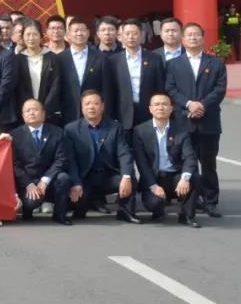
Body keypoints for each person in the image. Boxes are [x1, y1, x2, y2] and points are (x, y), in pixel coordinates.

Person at [165, 22, 227, 217]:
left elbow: (219, 89)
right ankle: (192, 199)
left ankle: (211, 201)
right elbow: (170, 89)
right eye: (189, 35)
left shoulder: (216, 63)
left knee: (208, 164)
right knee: (185, 162)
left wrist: (201, 106)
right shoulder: (173, 64)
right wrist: (189, 104)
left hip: (209, 122)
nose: (193, 38)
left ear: (203, 38)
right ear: (183, 39)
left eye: (196, 34)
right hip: (183, 122)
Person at [63, 90, 141, 224]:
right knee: (78, 205)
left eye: (95, 103)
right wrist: (76, 182)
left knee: (130, 178)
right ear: (82, 107)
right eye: (87, 104)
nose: (91, 107)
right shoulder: (71, 129)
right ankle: (80, 208)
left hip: (107, 176)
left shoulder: (114, 127)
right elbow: (70, 160)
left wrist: (126, 176)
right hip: (84, 178)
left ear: (102, 106)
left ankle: (125, 211)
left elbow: (124, 153)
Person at [132, 92, 201, 227]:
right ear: (150, 109)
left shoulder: (181, 130)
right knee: (154, 203)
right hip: (154, 177)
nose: (160, 107)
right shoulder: (140, 131)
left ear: (171, 108)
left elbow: (190, 157)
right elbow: (142, 163)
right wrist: (153, 186)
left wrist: (185, 178)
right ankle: (158, 210)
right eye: (156, 104)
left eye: (164, 104)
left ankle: (186, 215)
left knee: (194, 177)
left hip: (175, 176)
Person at [10, 98, 72, 224]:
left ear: (43, 114)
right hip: (28, 181)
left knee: (64, 178)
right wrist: (28, 184)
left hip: (49, 180)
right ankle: (27, 212)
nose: (31, 113)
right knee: (30, 203)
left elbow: (61, 159)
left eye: (35, 110)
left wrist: (45, 180)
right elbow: (15, 164)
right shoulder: (15, 135)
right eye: (28, 111)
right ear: (23, 115)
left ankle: (60, 215)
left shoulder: (57, 132)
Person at [108, 18, 165, 144]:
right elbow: (110, 91)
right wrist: (112, 116)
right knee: (126, 151)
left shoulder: (154, 59)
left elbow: (160, 87)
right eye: (127, 33)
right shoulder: (113, 61)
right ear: (120, 36)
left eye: (134, 33)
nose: (131, 37)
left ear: (141, 35)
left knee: (149, 151)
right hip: (123, 114)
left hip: (148, 113)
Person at [57, 17, 107, 125]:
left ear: (88, 33)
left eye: (82, 30)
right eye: (76, 31)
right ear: (68, 34)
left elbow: (106, 88)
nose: (79, 33)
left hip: (94, 112)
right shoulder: (60, 59)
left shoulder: (100, 58)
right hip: (68, 112)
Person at [15, 19, 61, 124]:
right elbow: (19, 88)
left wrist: (43, 110)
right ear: (23, 37)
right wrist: (30, 109)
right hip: (26, 113)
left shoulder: (52, 58)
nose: (31, 38)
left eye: (35, 34)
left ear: (41, 36)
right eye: (28, 34)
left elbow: (56, 85)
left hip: (49, 112)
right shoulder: (18, 59)